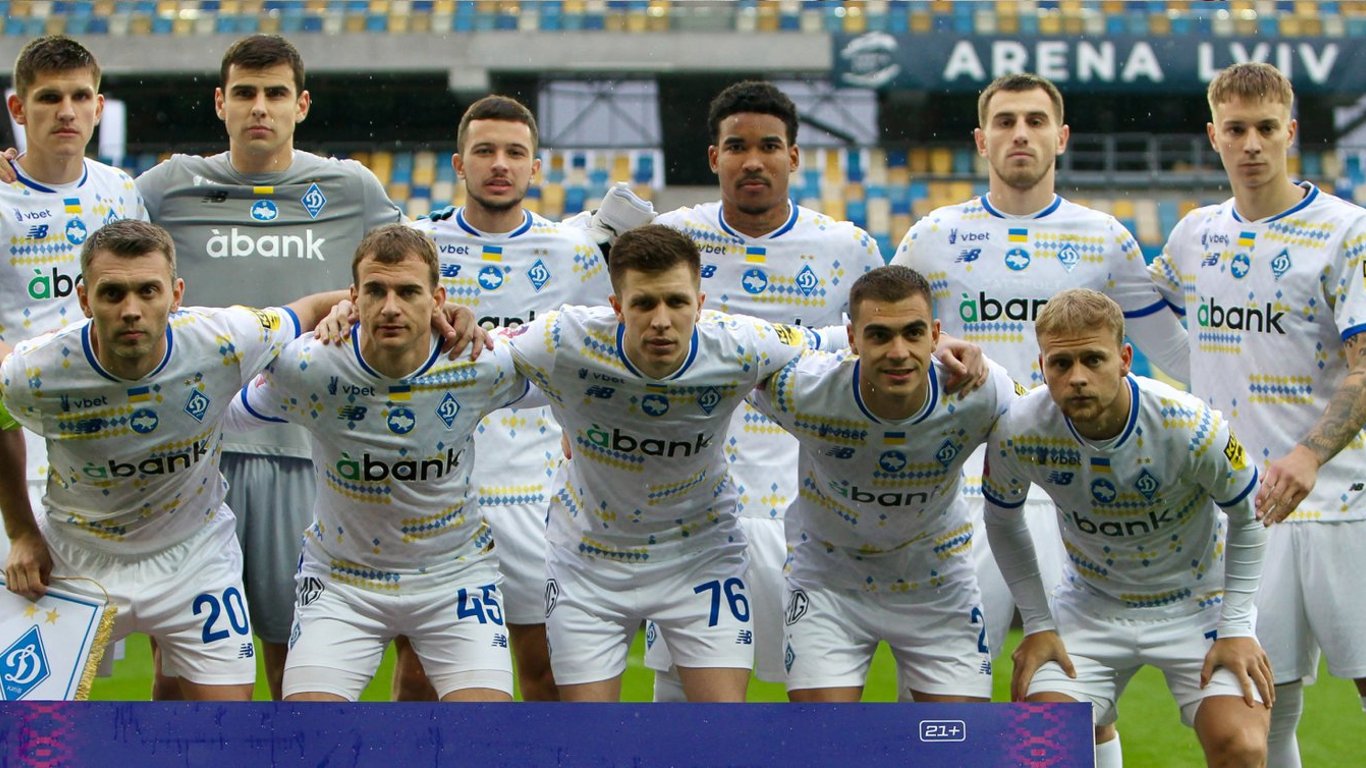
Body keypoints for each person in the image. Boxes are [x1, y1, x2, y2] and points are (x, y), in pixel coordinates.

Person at [891, 72, 1190, 762]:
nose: (1019, 134)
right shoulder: (933, 236)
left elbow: (1176, 354)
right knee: (938, 694)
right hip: (958, 494)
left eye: (1034, 120)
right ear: (981, 140)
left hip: (1069, 499)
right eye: (1005, 121)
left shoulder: (1105, 239)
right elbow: (880, 340)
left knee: (1075, 694)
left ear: (1062, 137)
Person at [133, 34, 405, 699]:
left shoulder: (350, 187)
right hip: (192, 454)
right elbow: (83, 221)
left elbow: (411, 274)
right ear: (220, 102)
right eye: (246, 93)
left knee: (293, 660)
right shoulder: (168, 187)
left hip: (303, 453)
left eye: (276, 93)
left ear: (301, 104)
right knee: (182, 668)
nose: (260, 107)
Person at [498, 224, 857, 702]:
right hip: (589, 564)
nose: (661, 321)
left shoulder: (739, 344)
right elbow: (477, 351)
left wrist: (935, 347)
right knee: (588, 735)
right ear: (616, 307)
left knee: (718, 727)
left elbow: (836, 339)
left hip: (701, 559)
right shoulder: (564, 338)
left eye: (677, 302)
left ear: (700, 304)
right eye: (644, 304)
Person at [0, 219, 347, 699]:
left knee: (224, 727)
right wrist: (21, 532)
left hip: (194, 555)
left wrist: (384, 308)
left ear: (176, 293)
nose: (131, 311)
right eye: (112, 294)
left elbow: (309, 308)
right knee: (29, 733)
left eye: (148, 291)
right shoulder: (36, 372)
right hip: (75, 557)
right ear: (84, 299)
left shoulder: (224, 338)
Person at [1149, 61, 1366, 767]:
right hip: (1244, 511)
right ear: (1213, 135)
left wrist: (1308, 454)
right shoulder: (1193, 235)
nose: (1251, 144)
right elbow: (1143, 316)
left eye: (1266, 128)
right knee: (1262, 704)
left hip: (1343, 505)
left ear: (1290, 132)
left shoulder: (1346, 231)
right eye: (1236, 129)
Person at [645, 79, 887, 701]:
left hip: (807, 509)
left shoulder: (848, 248)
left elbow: (883, 354)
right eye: (737, 146)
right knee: (685, 701)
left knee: (813, 697)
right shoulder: (672, 238)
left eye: (769, 146)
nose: (753, 161)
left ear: (794, 156)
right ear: (713, 157)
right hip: (693, 507)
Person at [226, 224, 519, 701]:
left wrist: (571, 423)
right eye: (376, 291)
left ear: (438, 299)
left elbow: (568, 377)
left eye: (408, 292)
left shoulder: (478, 360)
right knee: (308, 730)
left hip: (456, 579)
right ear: (353, 297)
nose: (390, 307)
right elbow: (218, 416)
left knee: (483, 733)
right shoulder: (311, 366)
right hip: (343, 583)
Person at [982, 288, 1271, 768]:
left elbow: (1249, 514)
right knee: (1043, 746)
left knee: (1241, 746)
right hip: (1090, 609)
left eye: (1093, 359)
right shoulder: (1020, 427)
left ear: (1124, 359)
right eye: (1061, 363)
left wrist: (1237, 626)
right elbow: (1002, 517)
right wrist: (1038, 624)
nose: (1077, 377)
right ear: (1042, 366)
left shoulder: (1189, 425)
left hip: (1197, 606)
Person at [398, 95, 615, 702]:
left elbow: (596, 361)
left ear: (535, 168)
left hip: (534, 488)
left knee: (542, 665)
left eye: (515, 153)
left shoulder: (573, 253)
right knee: (419, 670)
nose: (500, 164)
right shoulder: (417, 244)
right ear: (458, 163)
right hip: (434, 484)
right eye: (485, 151)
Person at [753, 265, 1019, 702]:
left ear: (936, 334)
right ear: (852, 338)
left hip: (936, 586)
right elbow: (725, 359)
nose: (898, 352)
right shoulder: (802, 389)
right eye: (879, 335)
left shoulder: (981, 391)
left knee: (956, 737)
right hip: (829, 584)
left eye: (913, 333)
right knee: (822, 736)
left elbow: (1050, 422)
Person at [0, 35, 147, 563]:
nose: (67, 111)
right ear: (18, 108)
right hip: (21, 436)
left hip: (115, 435)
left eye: (80, 96)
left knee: (119, 594)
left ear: (98, 107)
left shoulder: (121, 190)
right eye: (49, 97)